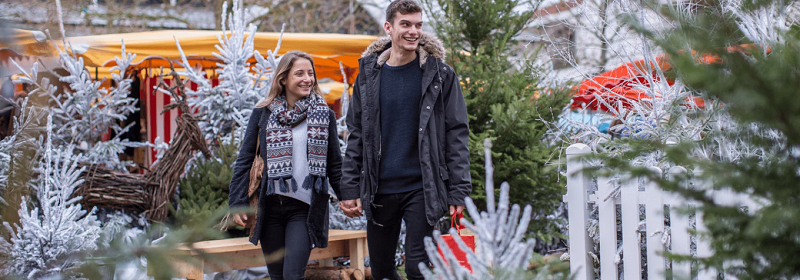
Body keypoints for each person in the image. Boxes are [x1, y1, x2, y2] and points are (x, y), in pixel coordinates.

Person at [338, 0, 472, 279]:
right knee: (383, 270)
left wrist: (458, 190)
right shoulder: (368, 76)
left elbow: (456, 133)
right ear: (388, 27)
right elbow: (357, 135)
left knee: (417, 268)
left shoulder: (440, 75)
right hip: (379, 189)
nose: (414, 31)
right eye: (406, 24)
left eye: (418, 25)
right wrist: (350, 187)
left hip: (422, 187)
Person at [228, 50, 343, 280]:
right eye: (299, 73)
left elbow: (335, 166)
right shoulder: (263, 113)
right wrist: (237, 201)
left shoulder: (323, 114)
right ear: (283, 79)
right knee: (277, 275)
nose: (307, 79)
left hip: (303, 209)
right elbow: (245, 159)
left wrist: (349, 197)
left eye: (310, 73)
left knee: (293, 275)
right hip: (269, 208)